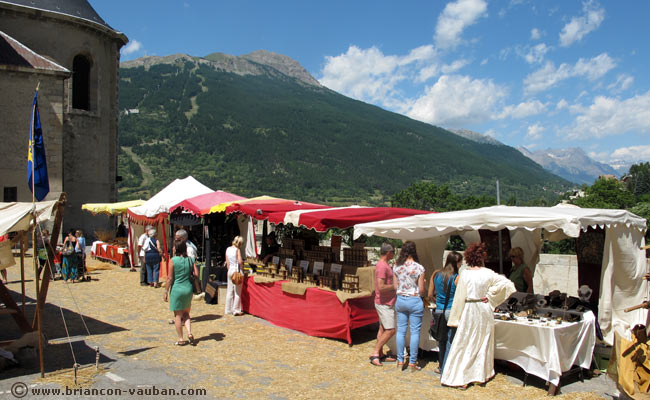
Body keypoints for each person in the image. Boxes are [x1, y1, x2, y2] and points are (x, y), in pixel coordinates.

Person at [441, 243, 516, 388]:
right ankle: (479, 375)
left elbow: (459, 296)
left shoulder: (465, 273)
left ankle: (463, 375)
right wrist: (490, 295)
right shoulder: (489, 273)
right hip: (483, 309)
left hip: (469, 308)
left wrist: (456, 316)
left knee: (465, 341)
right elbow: (508, 284)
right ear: (482, 256)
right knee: (482, 341)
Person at [392, 241, 426, 371]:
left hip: (401, 299)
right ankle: (412, 362)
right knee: (415, 332)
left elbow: (395, 287)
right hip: (415, 299)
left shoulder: (396, 267)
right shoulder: (419, 268)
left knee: (400, 331)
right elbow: (422, 290)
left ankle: (400, 360)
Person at [427, 251, 463, 375]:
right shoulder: (457, 278)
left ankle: (441, 365)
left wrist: (437, 301)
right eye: (460, 263)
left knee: (441, 341)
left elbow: (430, 294)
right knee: (451, 340)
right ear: (457, 263)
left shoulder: (436, 274)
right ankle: (447, 368)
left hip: (439, 310)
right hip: (451, 311)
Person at [164, 240, 198, 346]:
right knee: (186, 313)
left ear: (176, 249)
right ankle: (189, 332)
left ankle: (180, 339)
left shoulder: (173, 260)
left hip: (177, 289)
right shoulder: (191, 260)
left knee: (178, 315)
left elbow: (169, 278)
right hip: (188, 289)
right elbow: (196, 274)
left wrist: (165, 290)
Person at [369, 243, 397, 366]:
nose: (394, 254)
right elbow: (380, 287)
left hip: (386, 301)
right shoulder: (382, 266)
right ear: (388, 252)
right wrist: (394, 286)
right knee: (391, 330)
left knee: (383, 328)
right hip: (384, 302)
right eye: (393, 252)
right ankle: (375, 353)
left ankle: (379, 353)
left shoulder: (384, 265)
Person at [225, 236, 244, 316]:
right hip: (236, 271)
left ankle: (228, 309)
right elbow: (239, 261)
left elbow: (227, 262)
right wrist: (242, 262)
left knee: (229, 290)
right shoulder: (237, 250)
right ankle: (236, 309)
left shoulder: (228, 249)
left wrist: (230, 269)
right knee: (237, 292)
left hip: (230, 270)